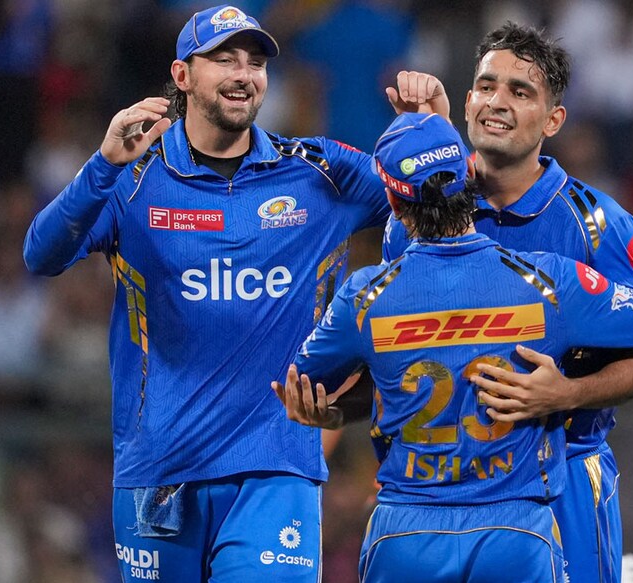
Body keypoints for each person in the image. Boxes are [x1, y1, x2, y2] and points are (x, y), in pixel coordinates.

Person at [23, 6, 396, 581]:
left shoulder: (321, 171)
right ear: (181, 77)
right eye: (223, 59)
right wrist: (101, 165)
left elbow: (437, 200)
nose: (243, 73)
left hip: (277, 470)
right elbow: (40, 255)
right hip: (159, 474)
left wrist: (432, 129)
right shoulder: (132, 177)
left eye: (255, 61)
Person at [273, 111, 633, 582]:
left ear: (394, 204)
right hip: (514, 531)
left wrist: (329, 411)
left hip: (406, 534)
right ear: (467, 181)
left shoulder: (365, 297)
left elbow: (302, 379)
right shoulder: (546, 282)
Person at [383, 23, 633, 582]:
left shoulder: (598, 227)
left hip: (563, 476)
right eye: (487, 86)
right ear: (466, 104)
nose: (498, 102)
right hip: (440, 483)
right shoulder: (416, 214)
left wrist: (567, 393)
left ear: (554, 119)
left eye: (521, 91)